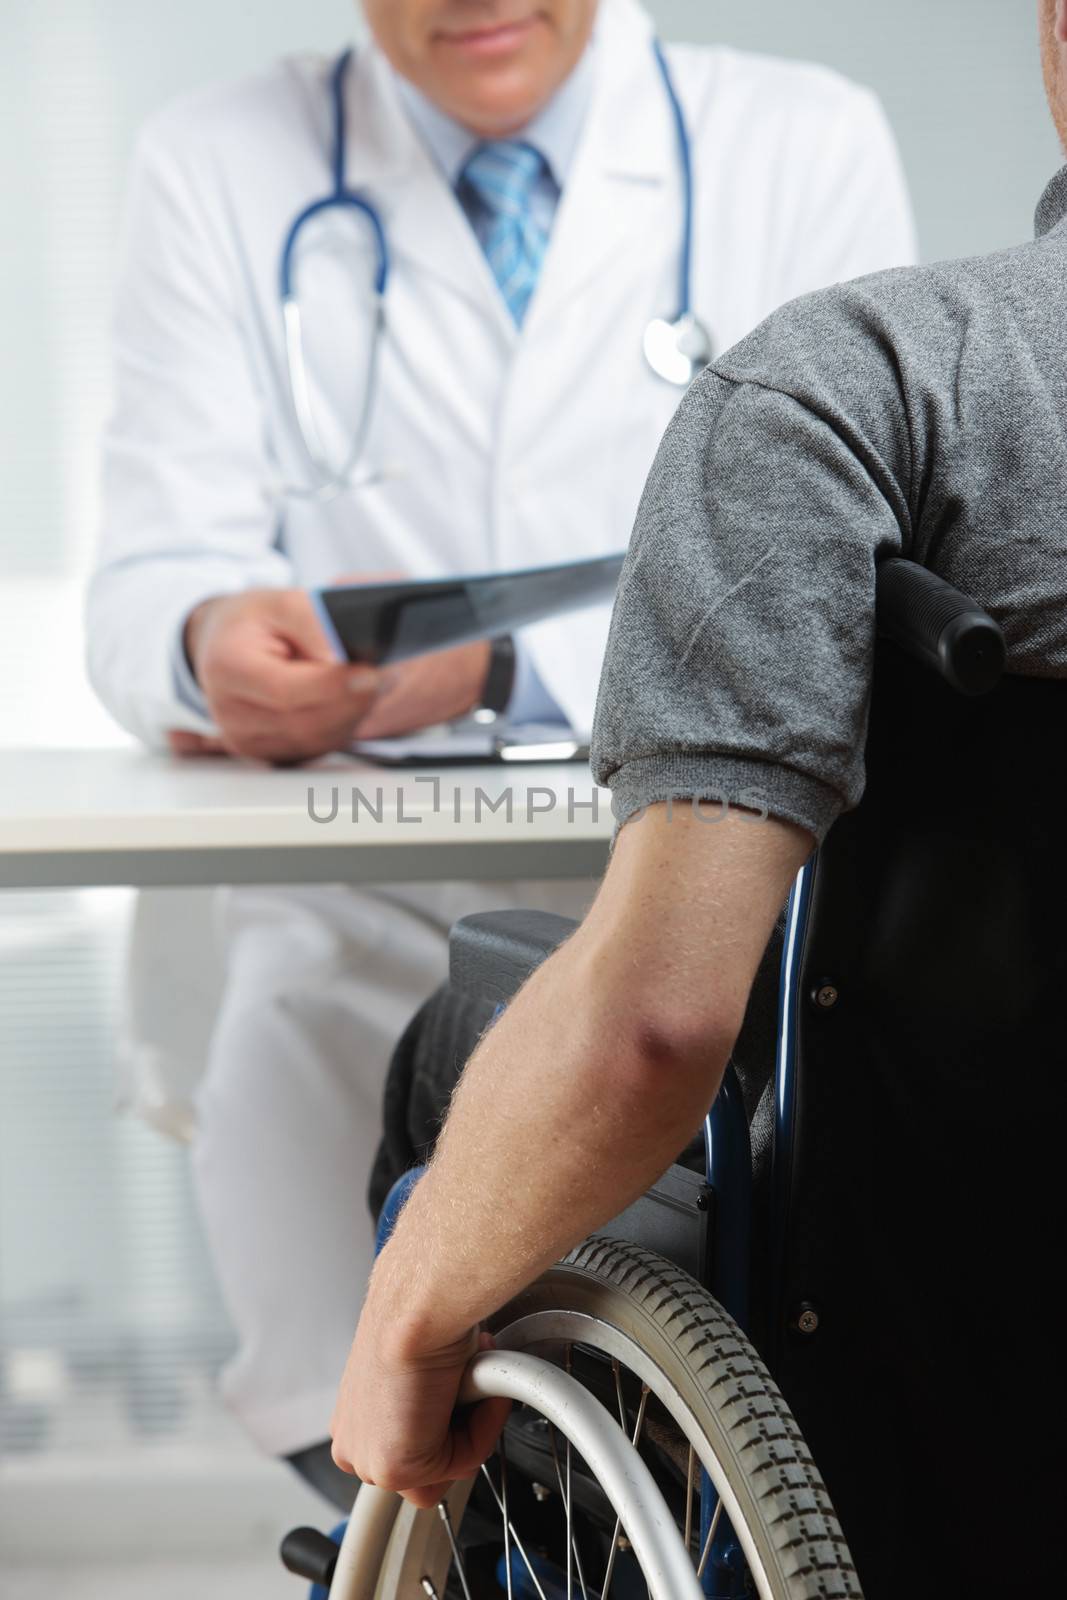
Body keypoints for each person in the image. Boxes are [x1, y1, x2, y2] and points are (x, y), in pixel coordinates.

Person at [87, 0, 915, 1502]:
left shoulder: (798, 142)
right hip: (336, 923)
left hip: (687, 907)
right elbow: (144, 569)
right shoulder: (217, 161)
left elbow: (847, 579)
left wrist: (493, 669)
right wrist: (201, 635)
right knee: (356, 1437)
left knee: (688, 1449)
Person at [330, 0, 1067, 1584]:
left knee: (458, 1049)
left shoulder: (862, 386)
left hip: (946, 1378)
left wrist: (408, 1320)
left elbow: (655, 1028)